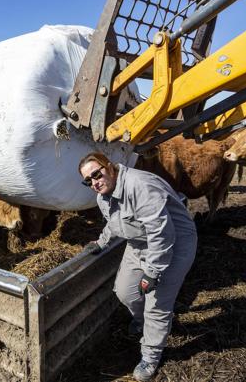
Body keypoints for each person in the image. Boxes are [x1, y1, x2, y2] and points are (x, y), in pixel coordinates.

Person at [78, 151, 197, 382]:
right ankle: (143, 321)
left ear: (109, 167)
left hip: (174, 243)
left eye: (96, 174)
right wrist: (100, 243)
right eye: (88, 180)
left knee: (157, 303)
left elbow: (162, 234)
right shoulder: (103, 196)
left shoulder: (139, 186)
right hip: (139, 242)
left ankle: (150, 356)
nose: (94, 182)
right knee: (126, 291)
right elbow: (114, 223)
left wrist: (152, 273)